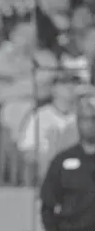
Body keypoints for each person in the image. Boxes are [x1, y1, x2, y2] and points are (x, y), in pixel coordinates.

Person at [40, 88, 95, 231]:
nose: (90, 124)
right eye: (85, 119)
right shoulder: (62, 161)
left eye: (93, 119)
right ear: (78, 122)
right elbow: (48, 205)